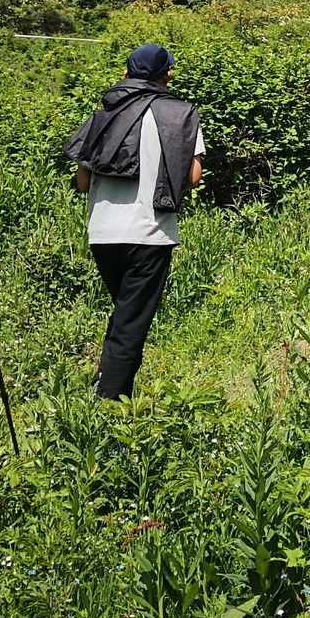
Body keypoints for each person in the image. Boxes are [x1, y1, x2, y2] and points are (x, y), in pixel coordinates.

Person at [64, 43, 203, 399]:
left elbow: (82, 183)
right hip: (149, 233)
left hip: (102, 233)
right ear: (166, 75)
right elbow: (193, 177)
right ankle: (109, 403)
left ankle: (106, 383)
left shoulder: (102, 115)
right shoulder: (180, 113)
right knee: (131, 324)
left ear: (126, 74)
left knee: (126, 315)